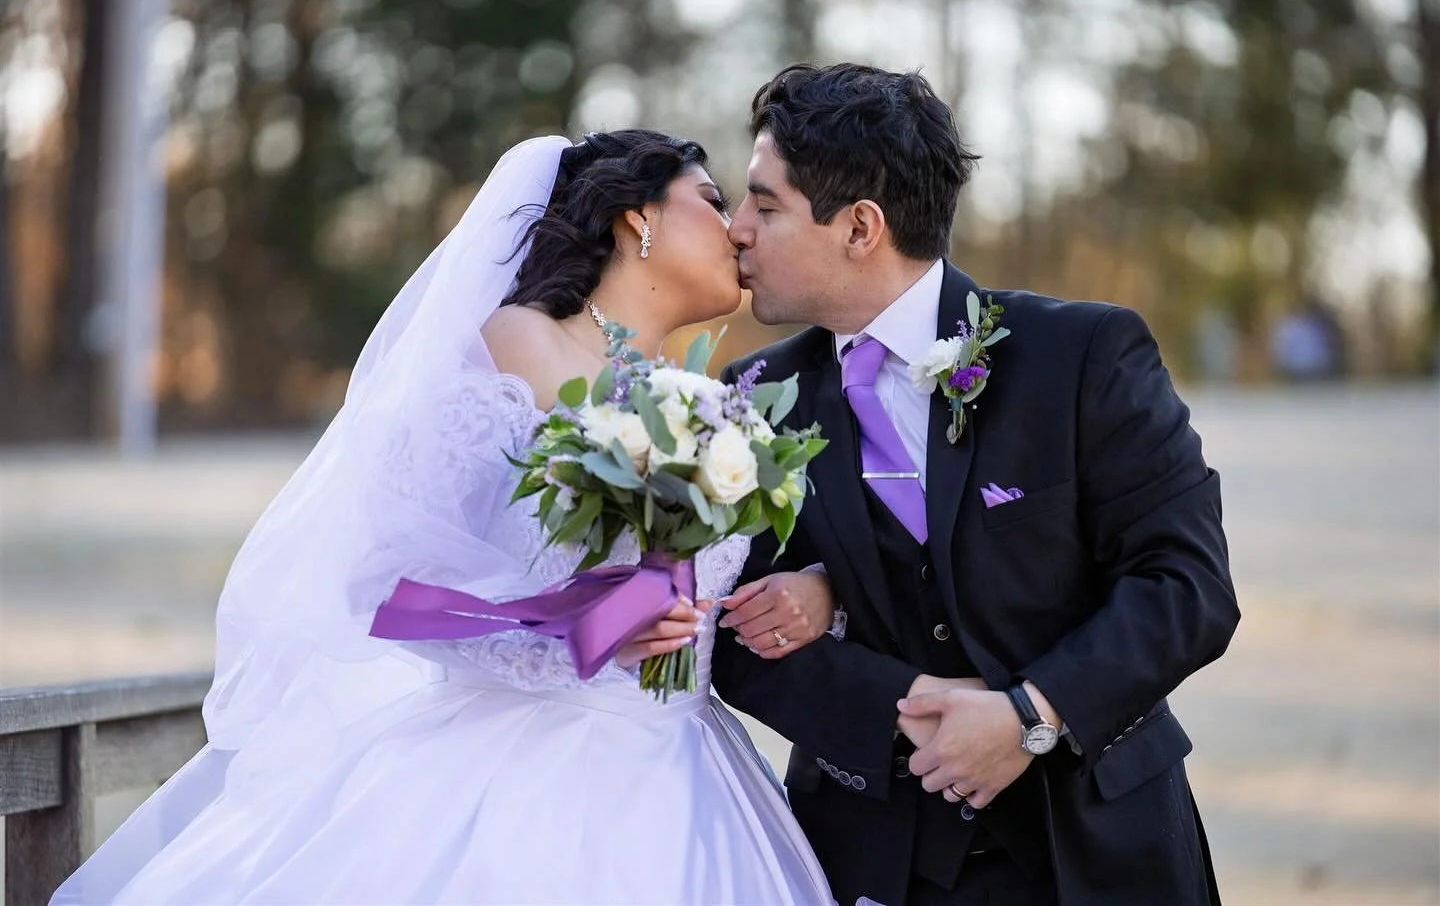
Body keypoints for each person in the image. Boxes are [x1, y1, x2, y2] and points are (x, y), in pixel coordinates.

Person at [52, 131, 838, 904]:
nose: (737, 226)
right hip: (528, 775)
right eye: (712, 200)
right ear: (637, 218)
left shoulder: (707, 400)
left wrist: (817, 594)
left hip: (689, 773)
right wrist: (578, 634)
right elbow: (385, 579)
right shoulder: (516, 346)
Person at [711, 63, 1241, 906]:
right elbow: (729, 634)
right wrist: (911, 701)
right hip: (877, 856)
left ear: (859, 227)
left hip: (1102, 850)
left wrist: (1033, 711)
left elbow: (1187, 586)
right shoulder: (747, 400)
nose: (735, 229)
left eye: (764, 204)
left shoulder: (1084, 356)